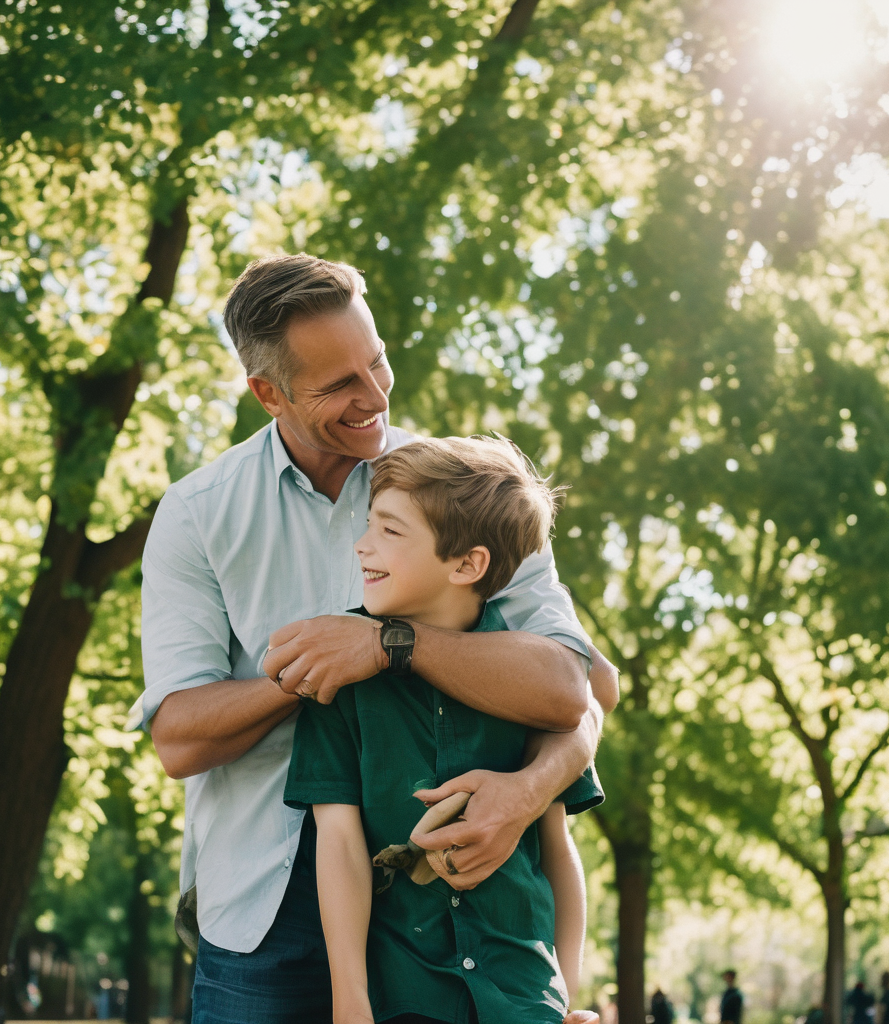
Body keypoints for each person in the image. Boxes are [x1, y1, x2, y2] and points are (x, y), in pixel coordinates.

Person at [133, 254, 617, 1023]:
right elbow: (179, 739)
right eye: (339, 386)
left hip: (449, 887)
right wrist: (313, 672)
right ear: (269, 394)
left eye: (378, 361)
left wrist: (518, 791)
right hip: (265, 903)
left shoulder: (458, 487)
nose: (375, 397)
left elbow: (582, 689)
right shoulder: (197, 516)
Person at [284, 436, 615, 1023]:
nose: (362, 546)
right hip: (407, 998)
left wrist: (566, 990)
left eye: (389, 531)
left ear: (467, 564)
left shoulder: (523, 678)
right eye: (369, 525)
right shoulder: (343, 673)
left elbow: (557, 850)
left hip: (525, 997)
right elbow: (338, 845)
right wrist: (349, 1001)